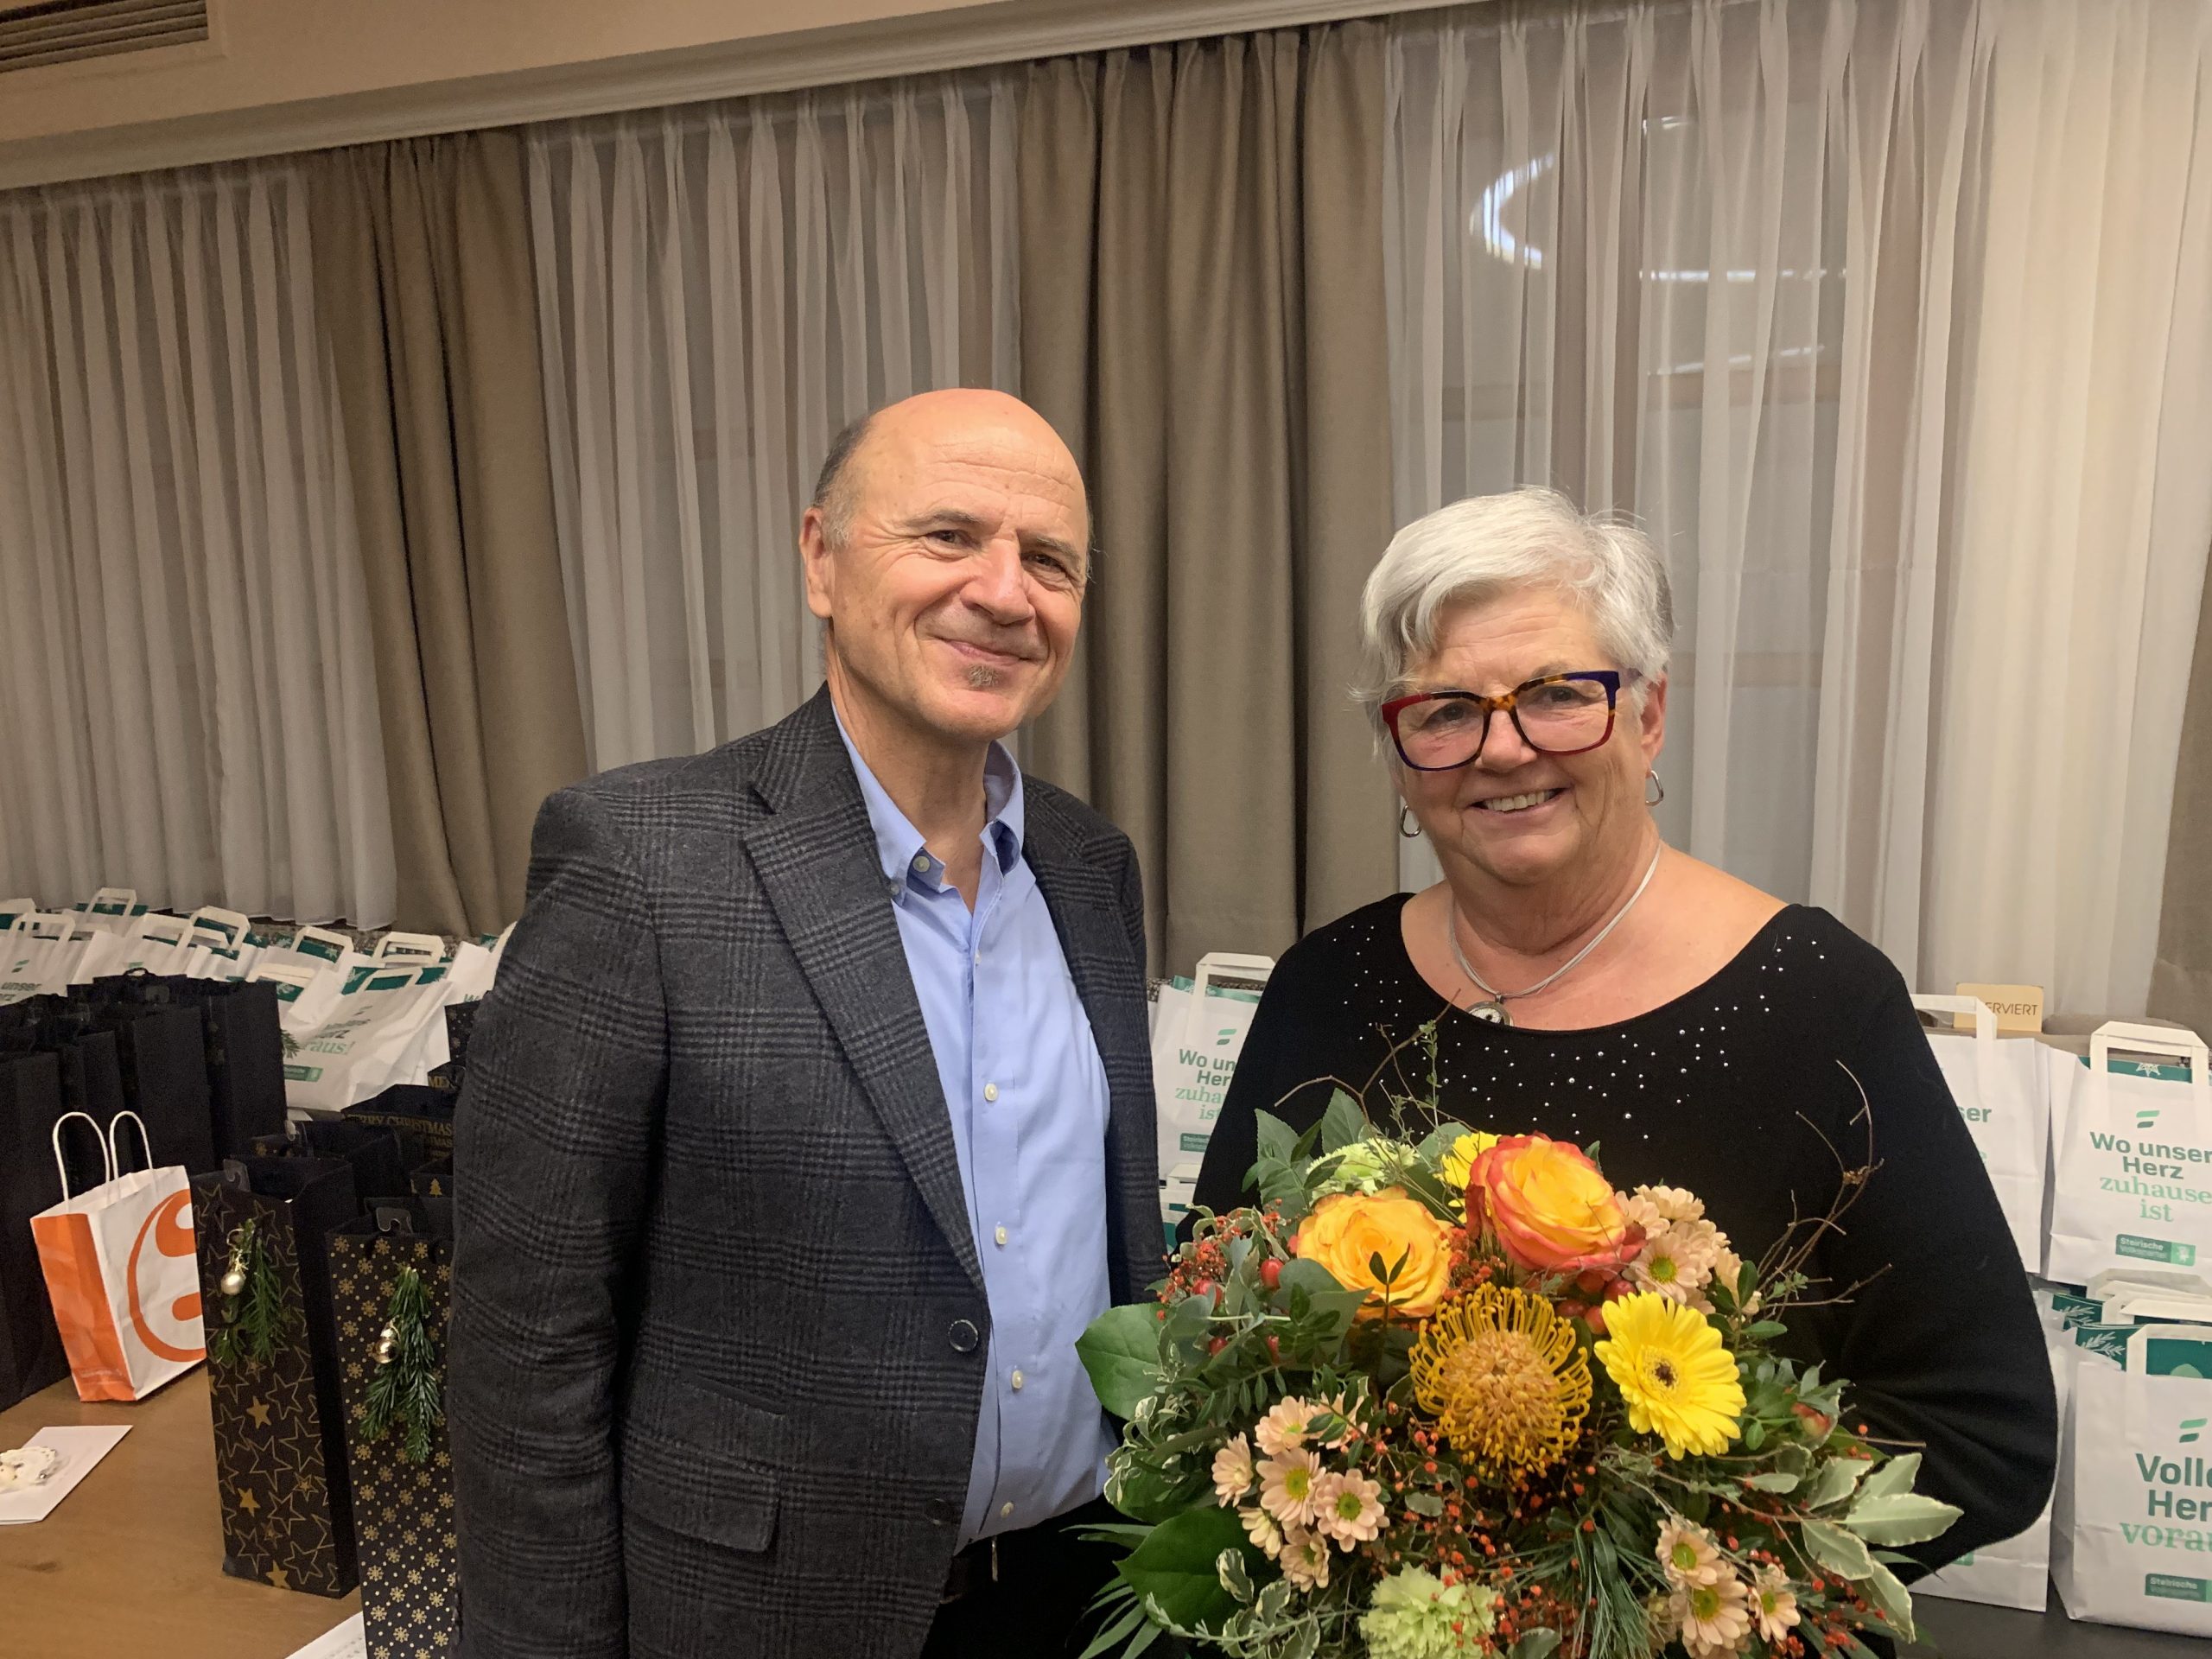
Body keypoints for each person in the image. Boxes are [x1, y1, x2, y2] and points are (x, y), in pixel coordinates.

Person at [1191, 487, 2056, 1579]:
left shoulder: (1820, 1002)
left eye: (1557, 694)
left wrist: (1642, 1587)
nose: (1503, 749)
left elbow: (1983, 1432)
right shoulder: (1323, 986)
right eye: (1446, 711)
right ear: (1399, 750)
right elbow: (1213, 1340)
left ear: (1648, 716)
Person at [448, 389, 1160, 1659]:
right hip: (773, 1617)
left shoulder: (1090, 867)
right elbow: (529, 1340)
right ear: (821, 559)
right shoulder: (642, 863)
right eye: (948, 536)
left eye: (1050, 561)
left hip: (1082, 1595)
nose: (1005, 593)